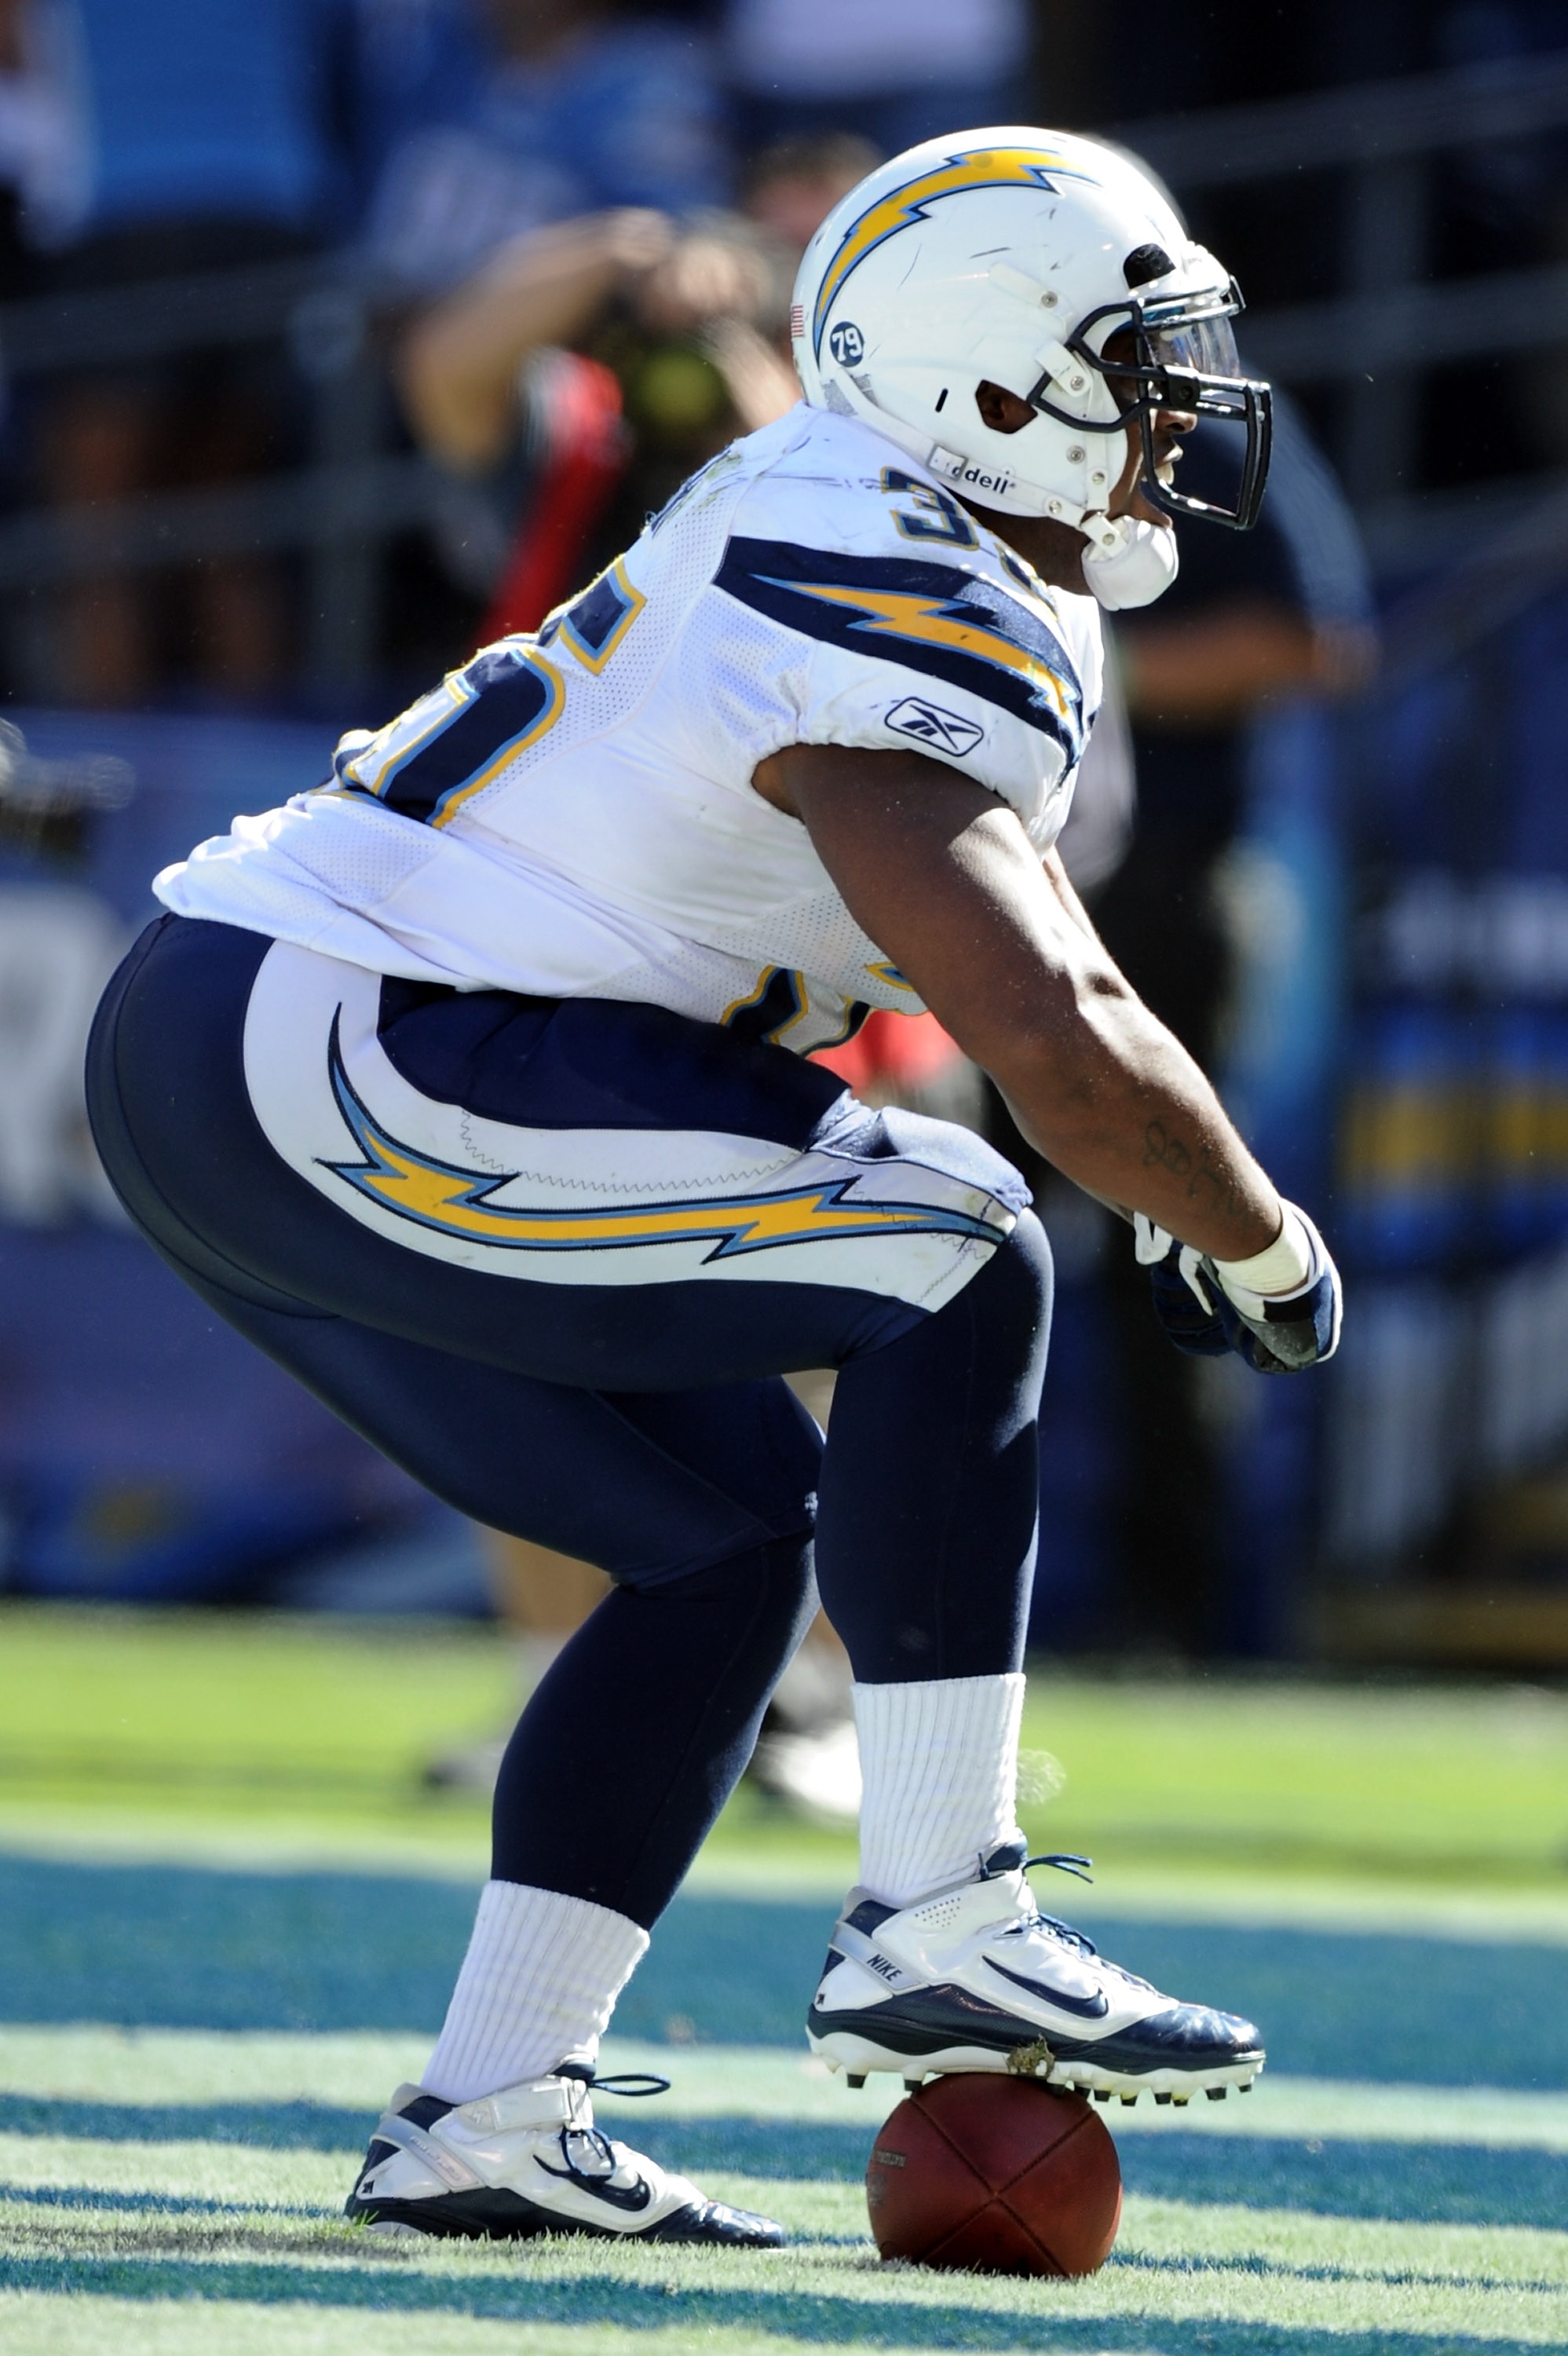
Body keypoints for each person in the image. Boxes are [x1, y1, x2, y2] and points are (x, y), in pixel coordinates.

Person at [86, 130, 1340, 2248]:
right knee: (957, 1246)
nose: (1187, 407)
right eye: (1142, 357)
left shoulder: (879, 518)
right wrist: (1258, 1235)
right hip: (360, 1033)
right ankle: (943, 1911)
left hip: (289, 1042)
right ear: (996, 381)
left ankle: (486, 2115)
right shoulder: (891, 561)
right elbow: (1050, 1030)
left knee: (721, 1551)